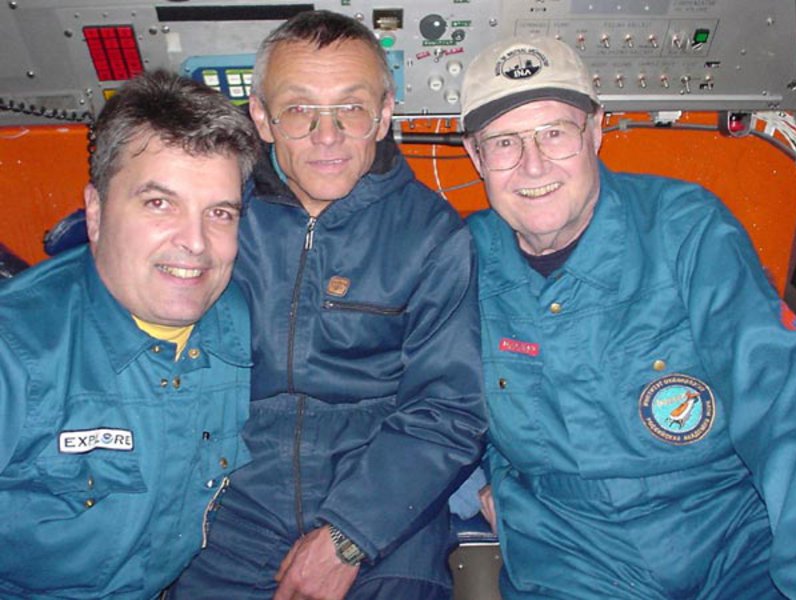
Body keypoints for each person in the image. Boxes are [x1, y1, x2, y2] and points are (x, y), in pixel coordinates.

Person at [460, 35, 796, 599]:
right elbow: (422, 396)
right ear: (476, 156)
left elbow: (778, 396)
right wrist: (486, 477)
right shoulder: (460, 257)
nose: (533, 163)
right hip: (571, 549)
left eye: (554, 133)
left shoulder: (687, 228)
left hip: (731, 530)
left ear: (595, 130)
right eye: (505, 143)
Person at [170, 9, 487, 600]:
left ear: (384, 114)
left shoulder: (433, 236)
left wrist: (349, 536)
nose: (327, 134)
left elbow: (449, 412)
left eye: (351, 108)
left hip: (387, 510)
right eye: (299, 110)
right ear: (262, 118)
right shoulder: (214, 214)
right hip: (228, 501)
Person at [0, 69, 260, 599]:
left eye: (219, 213)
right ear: (95, 213)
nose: (195, 243)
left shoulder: (240, 321)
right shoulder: (16, 351)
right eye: (159, 203)